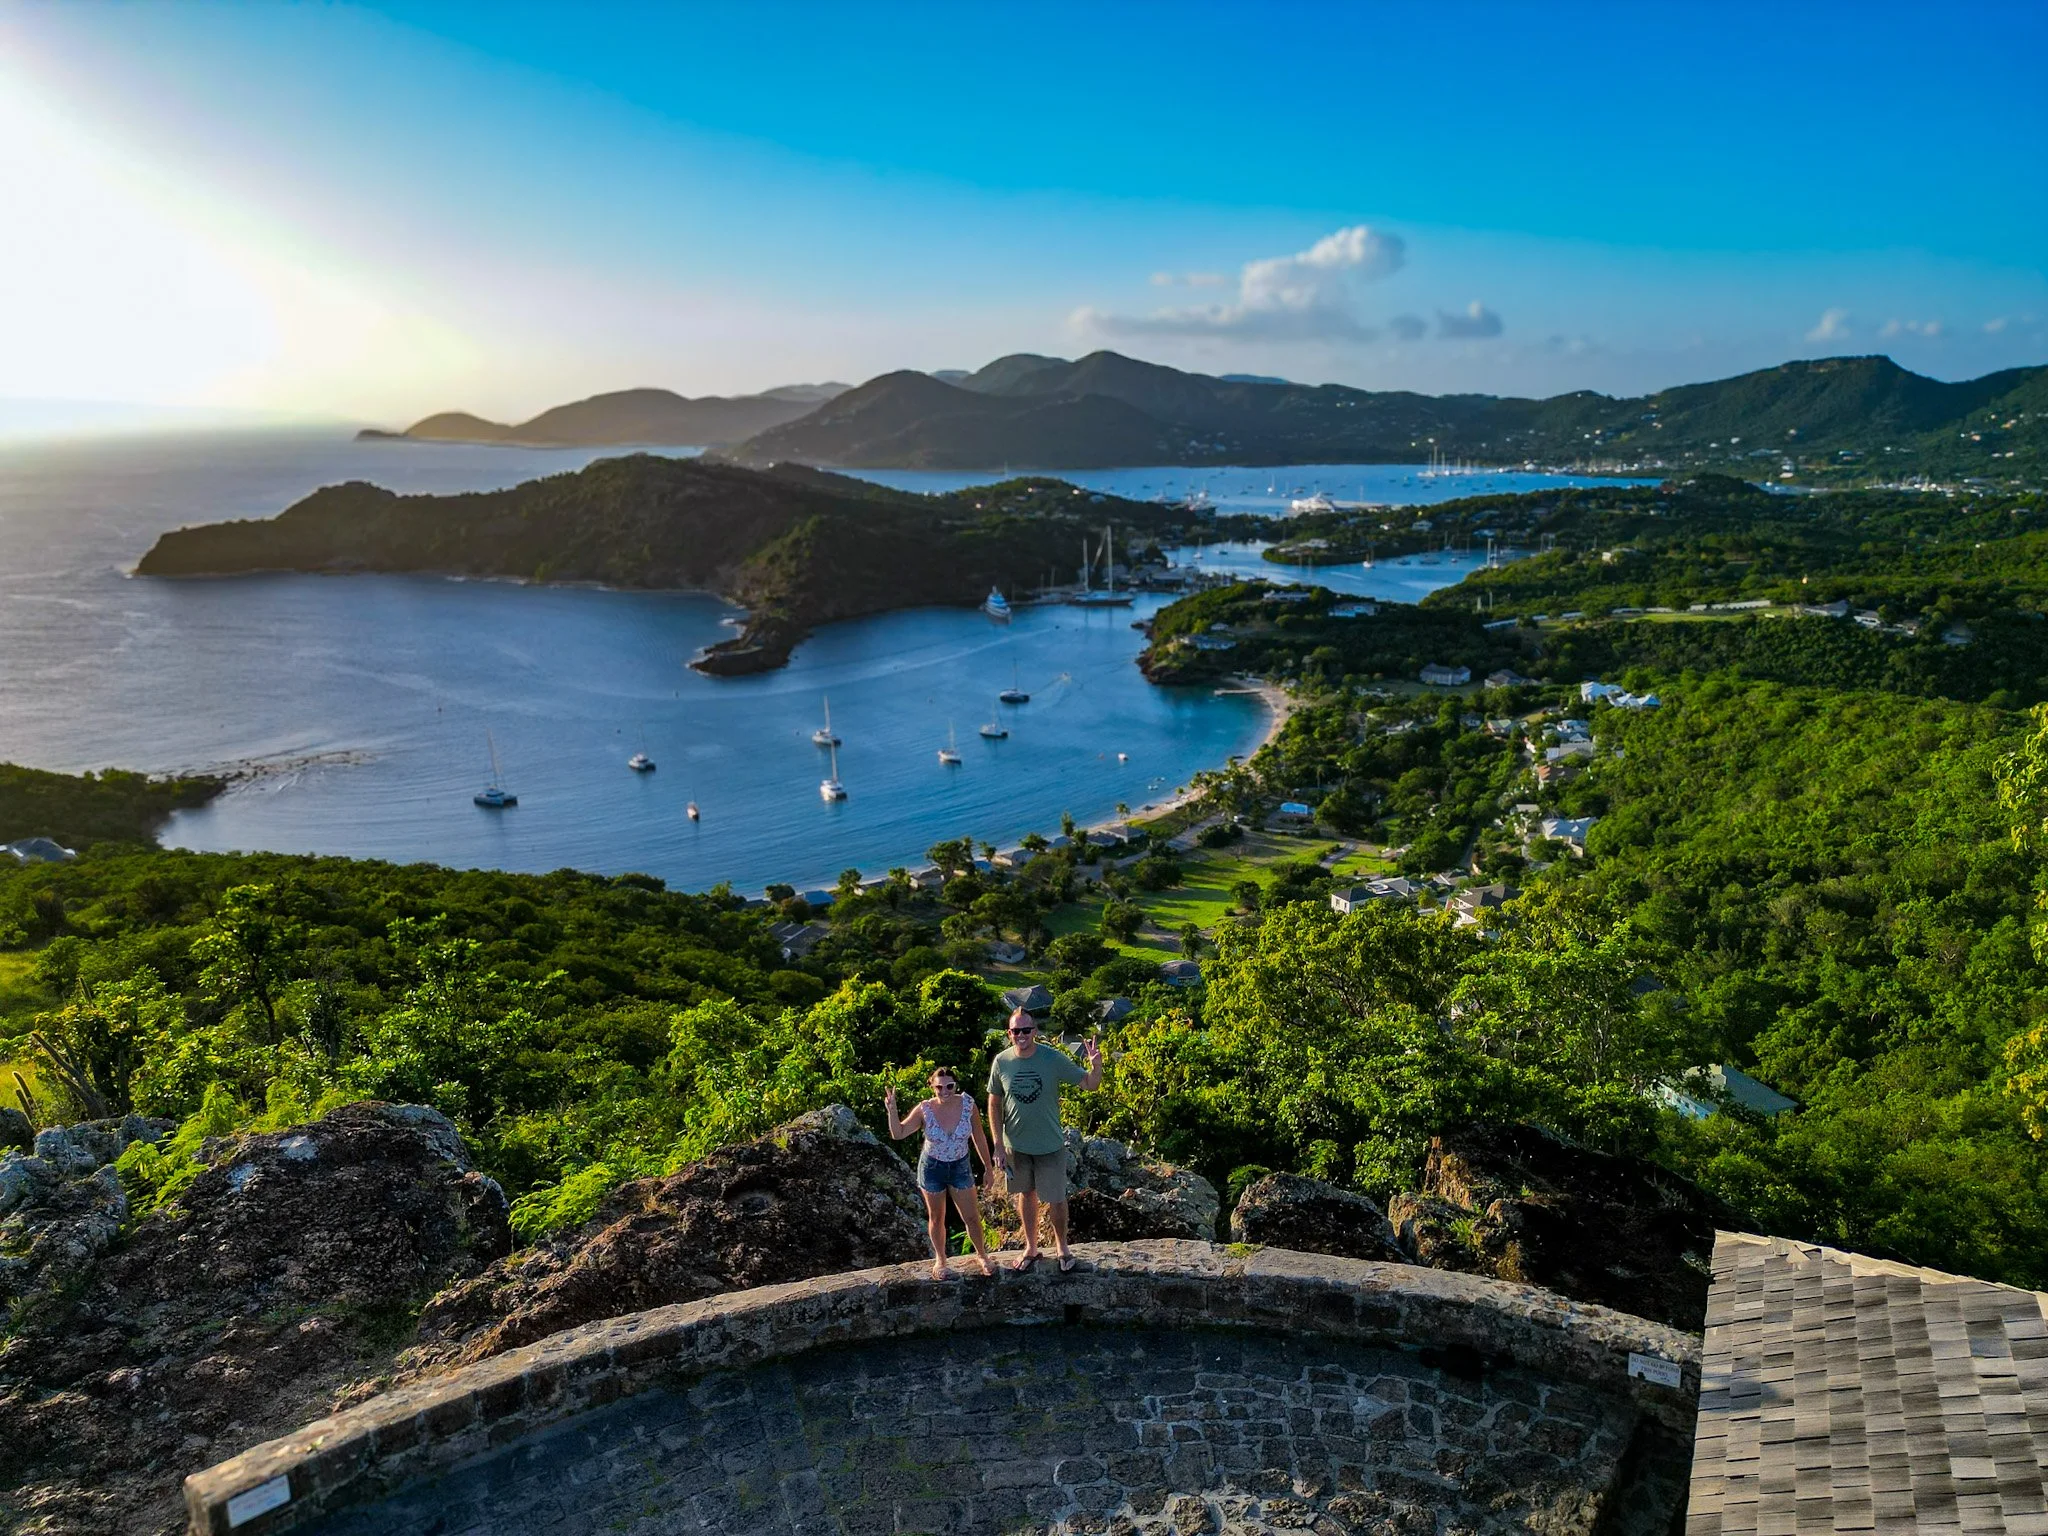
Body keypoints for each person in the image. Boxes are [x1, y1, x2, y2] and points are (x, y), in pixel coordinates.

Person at [986, 1007, 1103, 1273]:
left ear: (1035, 1032)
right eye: (1016, 1031)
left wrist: (1096, 1066)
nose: (1021, 1035)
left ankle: (1062, 1247)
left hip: (1049, 1144)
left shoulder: (1053, 1059)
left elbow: (1089, 1084)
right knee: (1025, 1195)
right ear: (1009, 1033)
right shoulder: (1001, 1061)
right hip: (1015, 1145)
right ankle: (1031, 1247)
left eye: (1026, 1030)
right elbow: (994, 1102)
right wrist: (997, 1143)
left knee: (1056, 1198)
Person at [883, 1066, 997, 1280]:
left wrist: (988, 1168)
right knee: (937, 1217)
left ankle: (983, 1255)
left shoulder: (967, 1104)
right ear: (932, 1087)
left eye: (949, 1086)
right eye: (939, 1087)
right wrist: (892, 1110)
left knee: (971, 1216)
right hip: (932, 1167)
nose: (945, 1091)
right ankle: (941, 1259)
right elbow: (898, 1133)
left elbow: (979, 1137)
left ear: (956, 1085)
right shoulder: (925, 1109)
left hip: (960, 1166)